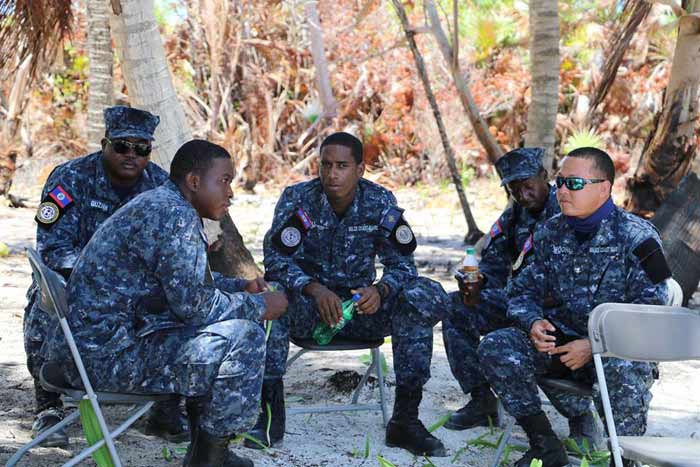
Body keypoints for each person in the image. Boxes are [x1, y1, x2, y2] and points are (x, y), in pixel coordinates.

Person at [58, 139, 288, 467]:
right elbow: (194, 306)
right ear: (194, 182)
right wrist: (259, 306)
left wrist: (241, 286)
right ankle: (210, 458)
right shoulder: (175, 217)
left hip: (89, 348)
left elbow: (180, 287)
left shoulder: (161, 203)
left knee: (220, 330)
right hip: (106, 359)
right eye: (224, 180)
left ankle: (207, 451)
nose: (231, 193)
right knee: (242, 336)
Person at [247, 132, 450, 457]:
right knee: (270, 294)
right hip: (309, 311)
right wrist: (313, 288)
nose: (332, 174)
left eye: (342, 166)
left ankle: (405, 421)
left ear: (360, 169)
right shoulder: (299, 200)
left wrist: (380, 291)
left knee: (421, 294)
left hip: (362, 312)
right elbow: (275, 259)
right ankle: (270, 417)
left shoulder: (380, 202)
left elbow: (403, 265)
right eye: (326, 165)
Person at [478, 147, 671, 467]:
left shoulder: (639, 237)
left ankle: (622, 459)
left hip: (617, 351)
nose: (563, 191)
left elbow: (654, 312)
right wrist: (533, 322)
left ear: (604, 188)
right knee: (497, 346)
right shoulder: (550, 233)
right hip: (563, 342)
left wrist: (596, 344)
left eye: (575, 184)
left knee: (623, 366)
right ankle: (544, 444)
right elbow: (521, 292)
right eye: (561, 181)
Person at [22, 106, 189, 446]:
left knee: (180, 304)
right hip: (77, 282)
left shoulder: (160, 185)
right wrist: (101, 283)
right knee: (44, 298)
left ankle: (165, 409)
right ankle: (48, 408)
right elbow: (53, 248)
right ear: (105, 143)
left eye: (141, 148)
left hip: (139, 289)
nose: (132, 155)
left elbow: (170, 252)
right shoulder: (69, 179)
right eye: (122, 146)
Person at [442, 147, 595, 445]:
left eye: (528, 186)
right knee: (455, 306)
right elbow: (494, 266)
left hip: (559, 312)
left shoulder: (568, 209)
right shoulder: (515, 214)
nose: (523, 195)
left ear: (544, 177)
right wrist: (477, 280)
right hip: (519, 301)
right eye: (514, 189)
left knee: (550, 339)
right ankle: (481, 400)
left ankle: (580, 417)